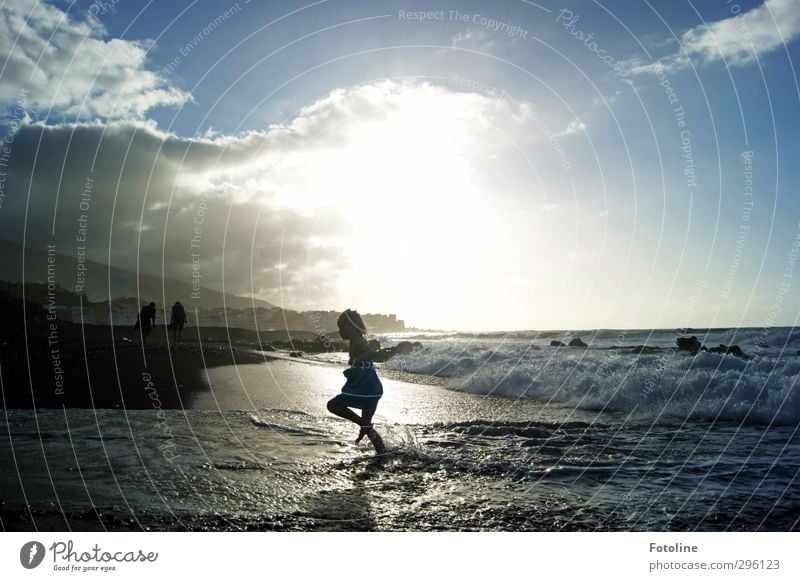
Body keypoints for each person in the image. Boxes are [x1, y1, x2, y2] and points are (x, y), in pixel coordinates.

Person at [326, 309, 386, 453]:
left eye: (342, 327)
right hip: (371, 388)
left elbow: (372, 353)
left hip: (365, 387)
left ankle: (363, 425)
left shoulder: (358, 340)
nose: (340, 331)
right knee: (366, 426)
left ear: (352, 327)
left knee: (332, 405)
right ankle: (382, 451)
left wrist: (355, 360)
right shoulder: (355, 340)